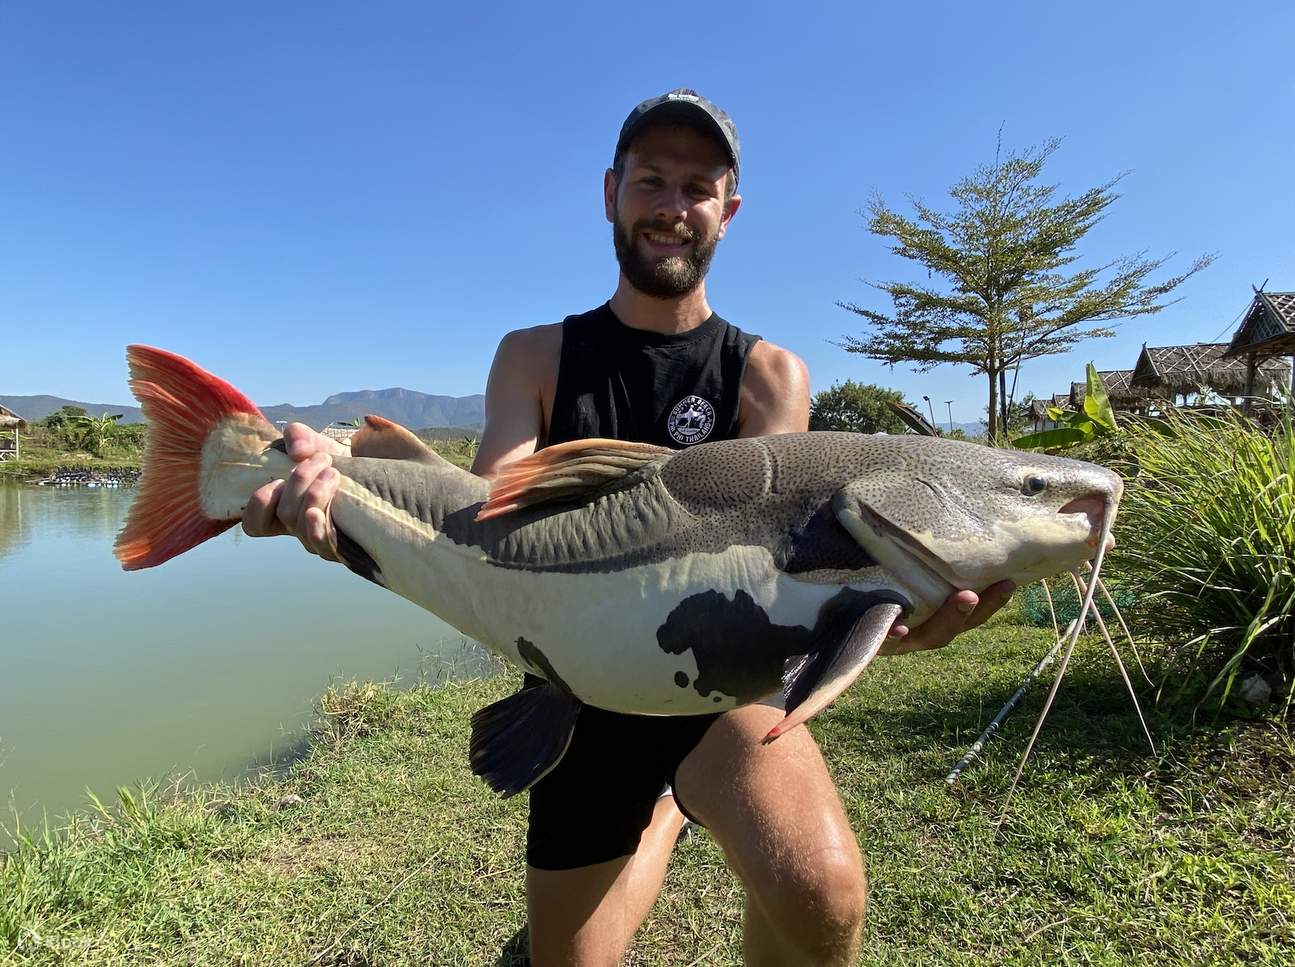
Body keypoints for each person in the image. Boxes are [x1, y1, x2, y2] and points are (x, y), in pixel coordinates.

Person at [242, 89, 1014, 967]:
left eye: (696, 186)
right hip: (573, 681)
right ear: (610, 190)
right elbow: (486, 520)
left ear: (728, 209)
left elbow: (790, 574)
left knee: (821, 891)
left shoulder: (768, 374)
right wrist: (340, 496)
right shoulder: (533, 355)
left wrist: (876, 626)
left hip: (721, 691)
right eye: (651, 180)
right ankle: (667, 809)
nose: (671, 206)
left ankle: (681, 789)